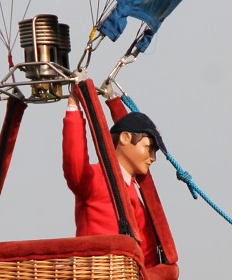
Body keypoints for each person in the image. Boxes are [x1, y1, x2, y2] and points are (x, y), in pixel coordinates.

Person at [62, 93, 165, 266]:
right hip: (96, 274)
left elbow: (147, 244)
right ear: (125, 138)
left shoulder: (133, 189)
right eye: (149, 148)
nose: (153, 157)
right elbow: (75, 163)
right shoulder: (96, 179)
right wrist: (73, 108)